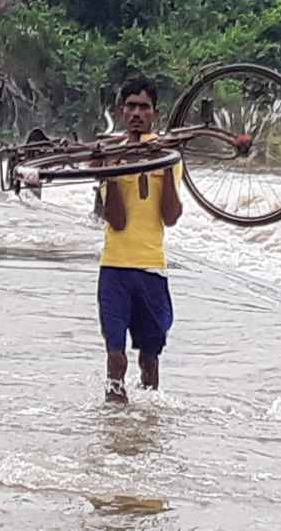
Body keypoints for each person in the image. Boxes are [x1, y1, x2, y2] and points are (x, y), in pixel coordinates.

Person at [98, 77, 183, 400]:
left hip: (151, 269)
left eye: (143, 107)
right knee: (116, 357)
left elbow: (171, 217)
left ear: (154, 114)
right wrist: (112, 171)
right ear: (122, 112)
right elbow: (116, 221)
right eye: (130, 106)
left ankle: (147, 422)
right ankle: (116, 423)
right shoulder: (110, 153)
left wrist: (164, 163)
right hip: (115, 268)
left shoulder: (168, 157)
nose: (136, 113)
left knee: (150, 358)